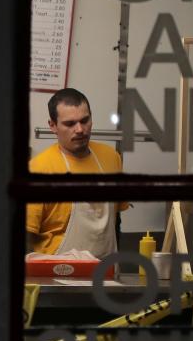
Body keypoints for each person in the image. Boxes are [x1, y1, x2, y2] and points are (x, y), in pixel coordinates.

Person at [26, 87, 127, 256]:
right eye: (70, 123)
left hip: (107, 269)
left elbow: (115, 220)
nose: (80, 129)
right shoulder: (39, 170)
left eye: (84, 120)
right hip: (57, 270)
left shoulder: (111, 158)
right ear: (52, 125)